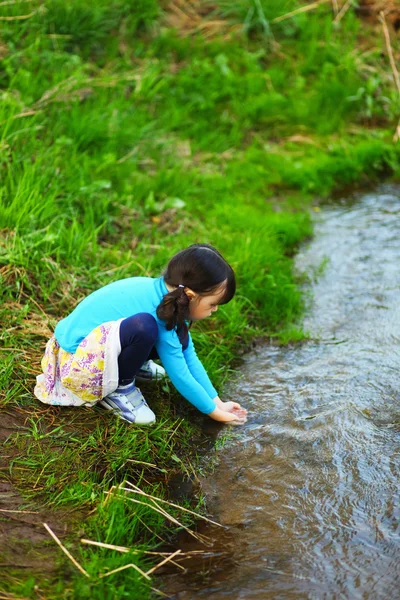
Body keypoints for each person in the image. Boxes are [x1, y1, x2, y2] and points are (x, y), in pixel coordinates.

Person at [34, 244, 247, 426]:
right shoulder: (160, 312)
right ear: (190, 295)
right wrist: (215, 413)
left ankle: (129, 365)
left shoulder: (167, 298)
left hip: (91, 348)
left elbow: (188, 355)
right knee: (144, 327)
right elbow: (180, 375)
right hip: (76, 365)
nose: (215, 310)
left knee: (171, 334)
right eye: (213, 304)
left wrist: (217, 401)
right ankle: (119, 388)